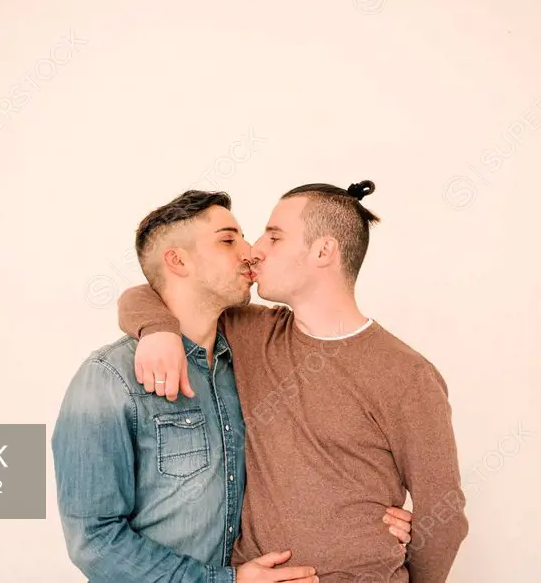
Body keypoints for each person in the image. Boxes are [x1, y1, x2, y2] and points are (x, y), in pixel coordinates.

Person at [51, 189, 413, 583]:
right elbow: (94, 541)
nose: (250, 251)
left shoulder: (253, 357)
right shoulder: (108, 378)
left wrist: (367, 526)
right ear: (177, 260)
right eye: (228, 240)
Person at [117, 180, 468, 582]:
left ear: (323, 251)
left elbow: (444, 518)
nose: (256, 250)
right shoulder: (250, 332)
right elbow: (146, 293)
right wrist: (158, 331)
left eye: (274, 236)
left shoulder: (407, 375)